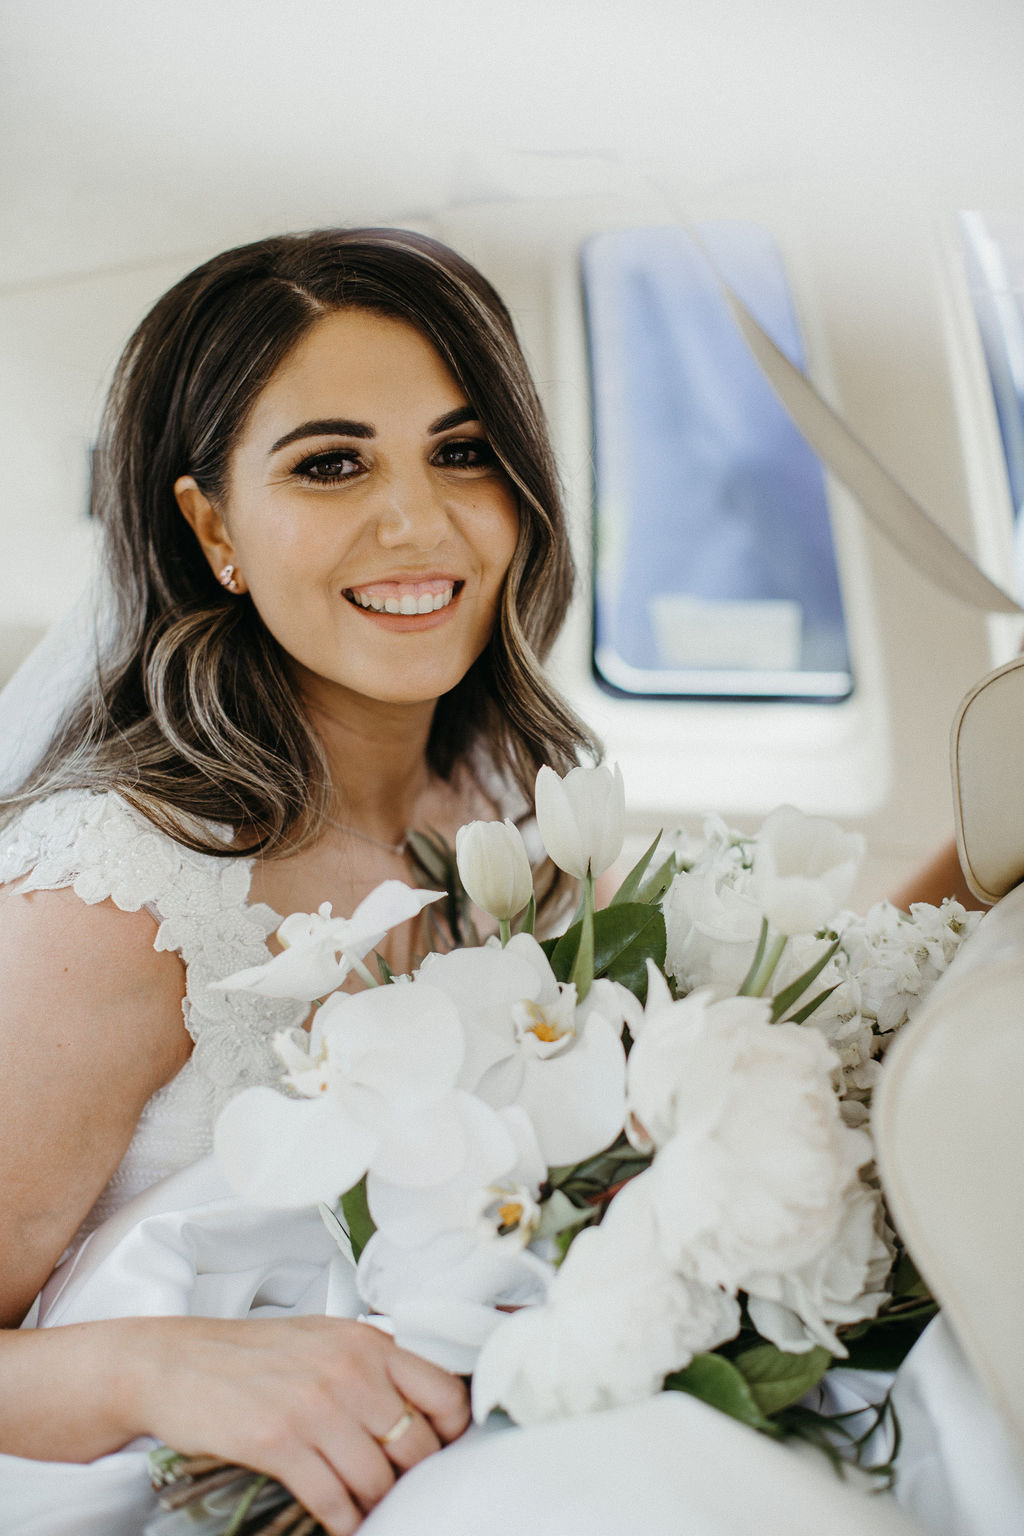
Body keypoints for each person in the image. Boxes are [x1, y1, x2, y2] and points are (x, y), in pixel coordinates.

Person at [0, 227, 596, 1535]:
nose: (419, 521)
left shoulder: (515, 806)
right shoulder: (122, 896)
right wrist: (147, 1369)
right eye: (332, 464)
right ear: (212, 525)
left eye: (462, 451)